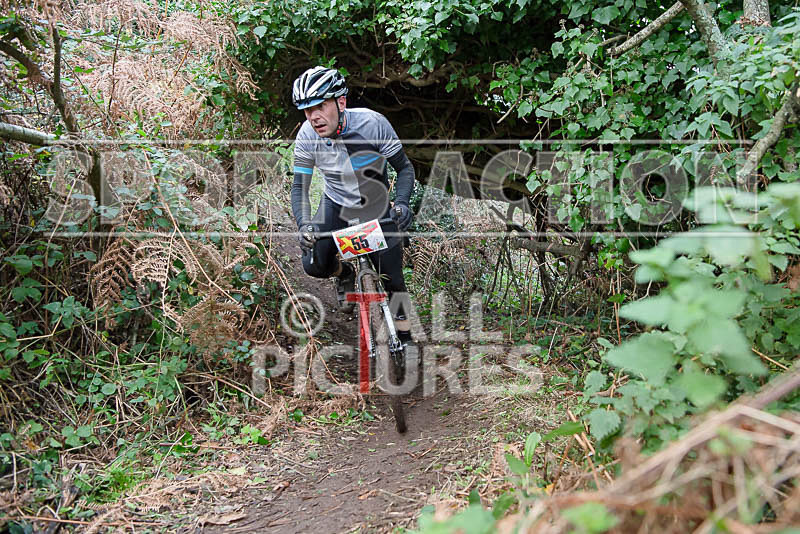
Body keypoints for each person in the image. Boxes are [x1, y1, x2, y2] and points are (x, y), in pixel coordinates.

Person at [290, 66, 414, 342]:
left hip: (376, 206)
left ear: (341, 102)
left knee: (394, 282)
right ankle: (343, 271)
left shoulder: (373, 123)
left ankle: (406, 341)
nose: (314, 117)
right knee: (314, 264)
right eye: (307, 111)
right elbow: (300, 186)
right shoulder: (307, 137)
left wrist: (403, 203)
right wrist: (304, 224)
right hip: (336, 205)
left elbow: (405, 169)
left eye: (320, 106)